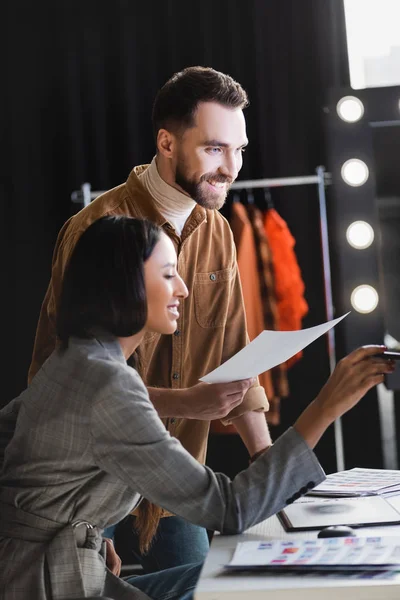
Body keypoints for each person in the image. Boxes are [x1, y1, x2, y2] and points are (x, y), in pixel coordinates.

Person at [0, 215, 394, 600]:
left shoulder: (74, 358)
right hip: (47, 584)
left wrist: (79, 531)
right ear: (126, 283)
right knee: (250, 579)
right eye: (169, 274)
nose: (184, 289)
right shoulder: (107, 382)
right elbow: (229, 507)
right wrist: (326, 406)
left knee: (227, 573)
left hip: (44, 567)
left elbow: (12, 440)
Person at [27, 65, 273, 570]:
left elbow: (234, 354)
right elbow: (62, 381)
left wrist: (267, 461)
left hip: (175, 472)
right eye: (214, 148)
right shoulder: (94, 230)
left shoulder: (220, 232)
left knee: (194, 587)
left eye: (239, 150)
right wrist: (91, 519)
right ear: (166, 142)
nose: (231, 167)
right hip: (89, 480)